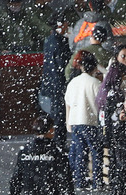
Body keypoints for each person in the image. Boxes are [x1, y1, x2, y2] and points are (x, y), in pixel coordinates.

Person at [65, 51, 104, 189]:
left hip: (76, 121)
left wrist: (68, 122)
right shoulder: (96, 83)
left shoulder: (73, 82)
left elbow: (68, 102)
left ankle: (80, 181)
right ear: (94, 67)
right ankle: (97, 182)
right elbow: (102, 103)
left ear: (81, 66)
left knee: (80, 152)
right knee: (96, 151)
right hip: (90, 121)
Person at [40, 11, 72, 139]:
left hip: (52, 84)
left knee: (56, 117)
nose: (67, 25)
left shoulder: (50, 40)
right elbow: (60, 66)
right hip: (58, 85)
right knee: (59, 118)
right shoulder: (59, 42)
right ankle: (58, 143)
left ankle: (56, 142)